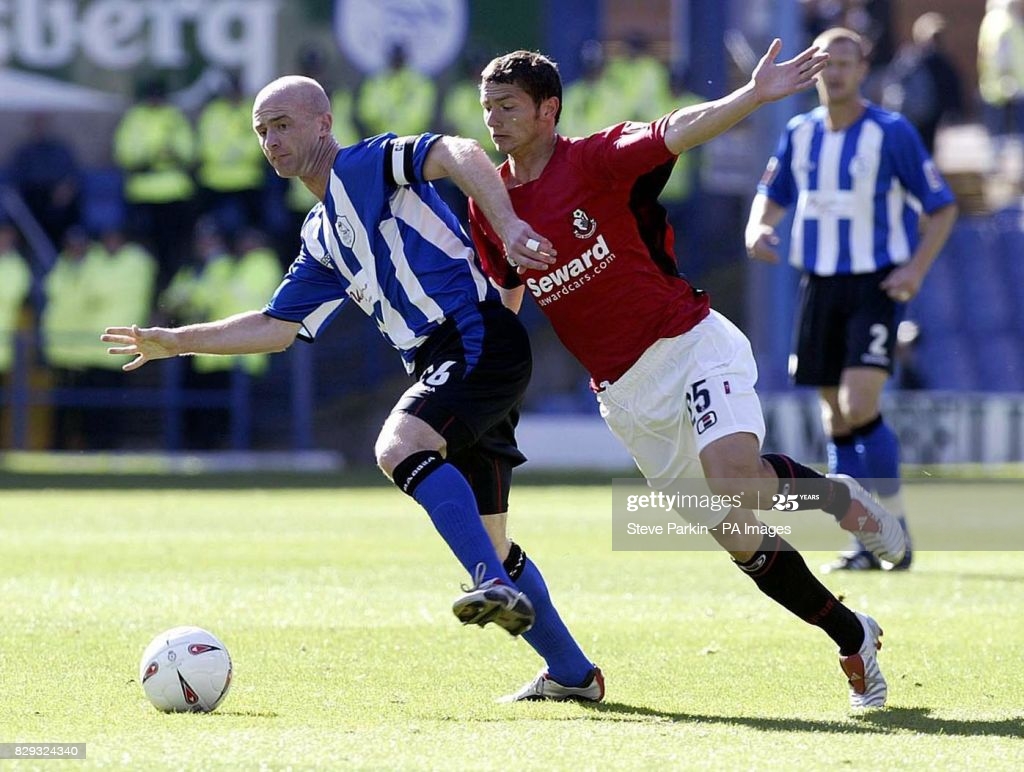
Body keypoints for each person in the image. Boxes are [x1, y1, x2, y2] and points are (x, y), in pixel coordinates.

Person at [102, 75, 603, 702]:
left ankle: (486, 581)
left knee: (398, 447)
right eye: (262, 130)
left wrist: (503, 223)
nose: (271, 140)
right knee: (495, 541)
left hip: (472, 338)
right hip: (451, 360)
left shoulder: (368, 164)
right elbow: (276, 327)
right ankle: (573, 675)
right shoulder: (319, 232)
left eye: (282, 124)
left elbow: (457, 151)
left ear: (323, 121)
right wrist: (176, 341)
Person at [468, 43, 904, 709]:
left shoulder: (596, 159)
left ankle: (844, 503)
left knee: (734, 483)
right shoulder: (490, 204)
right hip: (625, 394)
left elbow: (677, 129)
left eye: (508, 107)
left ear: (548, 110)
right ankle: (853, 635)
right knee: (738, 531)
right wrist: (494, 375)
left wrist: (753, 95)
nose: (494, 120)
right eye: (487, 108)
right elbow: (508, 291)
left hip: (690, 342)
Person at [745, 27, 958, 573]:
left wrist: (913, 269)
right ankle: (866, 537)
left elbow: (941, 207)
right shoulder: (800, 131)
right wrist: (757, 230)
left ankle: (896, 524)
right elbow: (772, 197)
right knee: (835, 414)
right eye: (825, 62)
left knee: (860, 403)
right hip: (818, 283)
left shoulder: (891, 132)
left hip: (874, 283)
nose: (835, 72)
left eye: (845, 61)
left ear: (864, 69)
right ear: (813, 70)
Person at [880, 12, 964, 154]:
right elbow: (894, 85)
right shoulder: (910, 60)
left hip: (933, 115)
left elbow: (951, 87)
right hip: (913, 115)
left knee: (928, 151)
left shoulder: (942, 63)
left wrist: (953, 111)